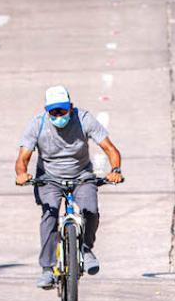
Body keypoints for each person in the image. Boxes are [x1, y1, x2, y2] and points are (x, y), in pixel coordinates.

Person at [14, 86, 123, 289]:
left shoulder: (84, 119)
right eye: (53, 111)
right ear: (47, 110)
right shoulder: (37, 124)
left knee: (91, 211)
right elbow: (23, 158)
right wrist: (21, 174)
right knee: (49, 216)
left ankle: (86, 248)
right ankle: (47, 269)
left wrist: (115, 169)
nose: (58, 115)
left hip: (81, 175)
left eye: (62, 110)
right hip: (48, 179)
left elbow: (110, 148)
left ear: (71, 107)